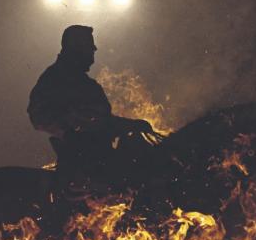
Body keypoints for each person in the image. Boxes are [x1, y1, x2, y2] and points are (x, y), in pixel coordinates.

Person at [27, 25, 162, 196]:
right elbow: (38, 115)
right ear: (76, 48)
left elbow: (103, 120)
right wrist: (68, 131)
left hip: (101, 155)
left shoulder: (87, 84)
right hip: (81, 163)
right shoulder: (55, 78)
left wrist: (131, 125)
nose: (94, 49)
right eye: (89, 45)